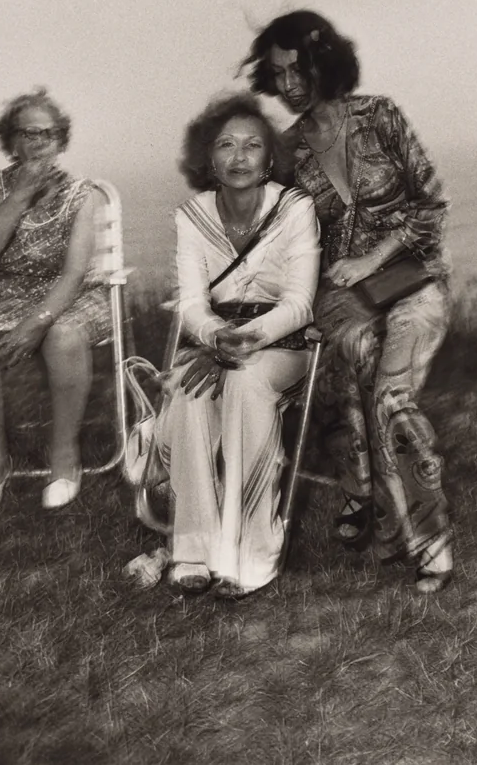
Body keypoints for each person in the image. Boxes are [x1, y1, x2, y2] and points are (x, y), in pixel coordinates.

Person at [243, 10, 455, 592]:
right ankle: (380, 508)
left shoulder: (379, 116)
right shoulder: (286, 155)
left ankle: (427, 538)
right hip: (347, 303)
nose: (287, 85)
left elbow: (432, 207)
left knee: (388, 395)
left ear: (326, 64)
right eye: (278, 73)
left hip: (414, 284)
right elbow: (293, 248)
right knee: (356, 366)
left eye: (298, 70)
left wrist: (370, 259)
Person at [150, 92, 320, 598]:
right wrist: (213, 338)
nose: (239, 156)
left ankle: (250, 554)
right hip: (213, 342)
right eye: (226, 145)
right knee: (190, 389)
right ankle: (196, 548)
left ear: (271, 158)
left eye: (253, 145)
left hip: (281, 344)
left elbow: (299, 305)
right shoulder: (190, 217)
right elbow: (192, 304)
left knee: (244, 383)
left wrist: (240, 344)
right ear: (209, 158)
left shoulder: (295, 209)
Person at [0, 88, 110, 513]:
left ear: (61, 140)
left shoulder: (83, 194)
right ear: (11, 140)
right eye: (28, 133)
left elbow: (75, 272)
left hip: (70, 294)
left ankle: (64, 459)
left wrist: (35, 322)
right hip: (2, 293)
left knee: (63, 336)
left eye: (48, 134)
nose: (39, 142)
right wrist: (20, 195)